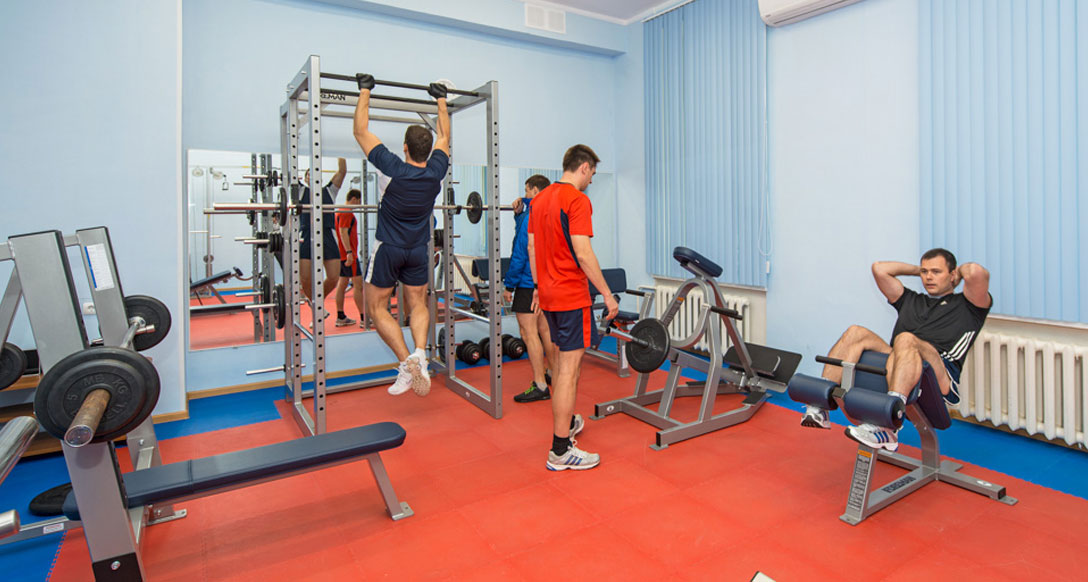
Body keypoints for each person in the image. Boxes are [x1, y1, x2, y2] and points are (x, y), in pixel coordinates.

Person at [801, 249, 991, 452]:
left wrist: (958, 274)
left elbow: (975, 271)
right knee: (855, 332)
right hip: (900, 363)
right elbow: (879, 269)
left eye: (936, 271)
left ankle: (888, 426)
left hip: (941, 373)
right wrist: (918, 270)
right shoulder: (911, 300)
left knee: (905, 338)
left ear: (952, 274)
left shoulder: (969, 306)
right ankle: (820, 405)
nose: (928, 277)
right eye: (925, 272)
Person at [352, 73, 450, 396]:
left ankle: (407, 362)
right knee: (417, 302)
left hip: (389, 248)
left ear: (405, 147)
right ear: (428, 151)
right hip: (418, 249)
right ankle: (421, 352)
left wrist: (365, 90)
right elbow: (444, 136)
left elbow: (360, 131)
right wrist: (441, 99)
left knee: (377, 307)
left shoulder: (392, 168)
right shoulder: (437, 172)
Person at [528, 144, 617, 471]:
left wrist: (538, 287)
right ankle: (560, 450)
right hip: (570, 296)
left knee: (565, 365)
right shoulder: (577, 200)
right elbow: (582, 252)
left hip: (549, 295)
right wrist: (607, 294)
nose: (591, 180)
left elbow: (532, 246)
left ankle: (567, 423)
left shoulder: (539, 199)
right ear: (584, 167)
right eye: (591, 173)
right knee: (568, 369)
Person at [504, 175, 558, 403]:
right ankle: (553, 374)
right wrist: (520, 212)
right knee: (545, 331)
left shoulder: (531, 216)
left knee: (528, 333)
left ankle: (540, 385)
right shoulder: (550, 213)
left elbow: (520, 252)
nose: (525, 194)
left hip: (527, 283)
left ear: (535, 190)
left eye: (527, 191)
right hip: (546, 282)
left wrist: (509, 284)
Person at [298, 158, 347, 307]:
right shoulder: (300, 191)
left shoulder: (329, 191)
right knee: (305, 278)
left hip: (327, 235)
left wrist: (341, 154)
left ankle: (316, 303)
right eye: (309, 174)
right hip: (306, 234)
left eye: (315, 174)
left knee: (333, 277)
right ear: (305, 179)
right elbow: (287, 174)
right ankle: (316, 305)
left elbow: (342, 171)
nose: (312, 177)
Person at [334, 188, 366, 327]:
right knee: (358, 285)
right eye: (359, 201)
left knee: (342, 284)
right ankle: (364, 318)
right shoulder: (346, 212)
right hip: (348, 255)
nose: (359, 204)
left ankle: (340, 316)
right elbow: (343, 232)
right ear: (354, 199)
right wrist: (349, 253)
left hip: (342, 254)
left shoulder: (340, 211)